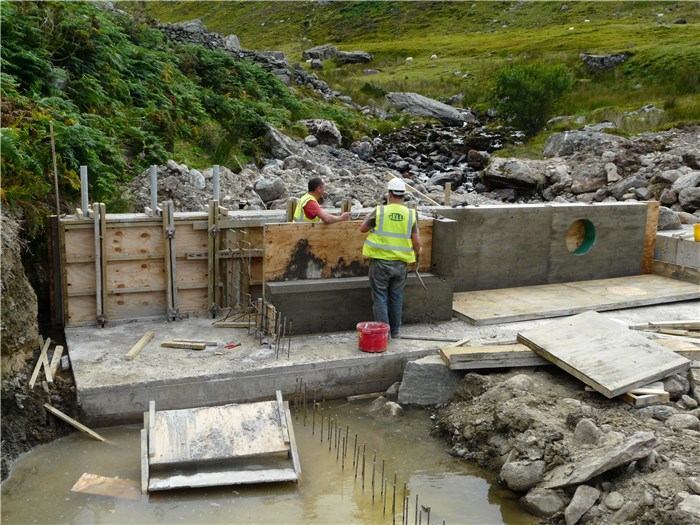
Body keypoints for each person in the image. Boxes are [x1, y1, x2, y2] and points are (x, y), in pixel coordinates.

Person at [360, 178, 422, 339]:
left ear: (389, 194)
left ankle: (384, 334)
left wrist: (368, 217)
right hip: (400, 264)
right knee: (396, 298)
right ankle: (395, 332)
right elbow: (417, 241)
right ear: (403, 195)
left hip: (380, 263)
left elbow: (363, 229)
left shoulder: (380, 211)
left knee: (380, 298)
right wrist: (418, 256)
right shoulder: (410, 214)